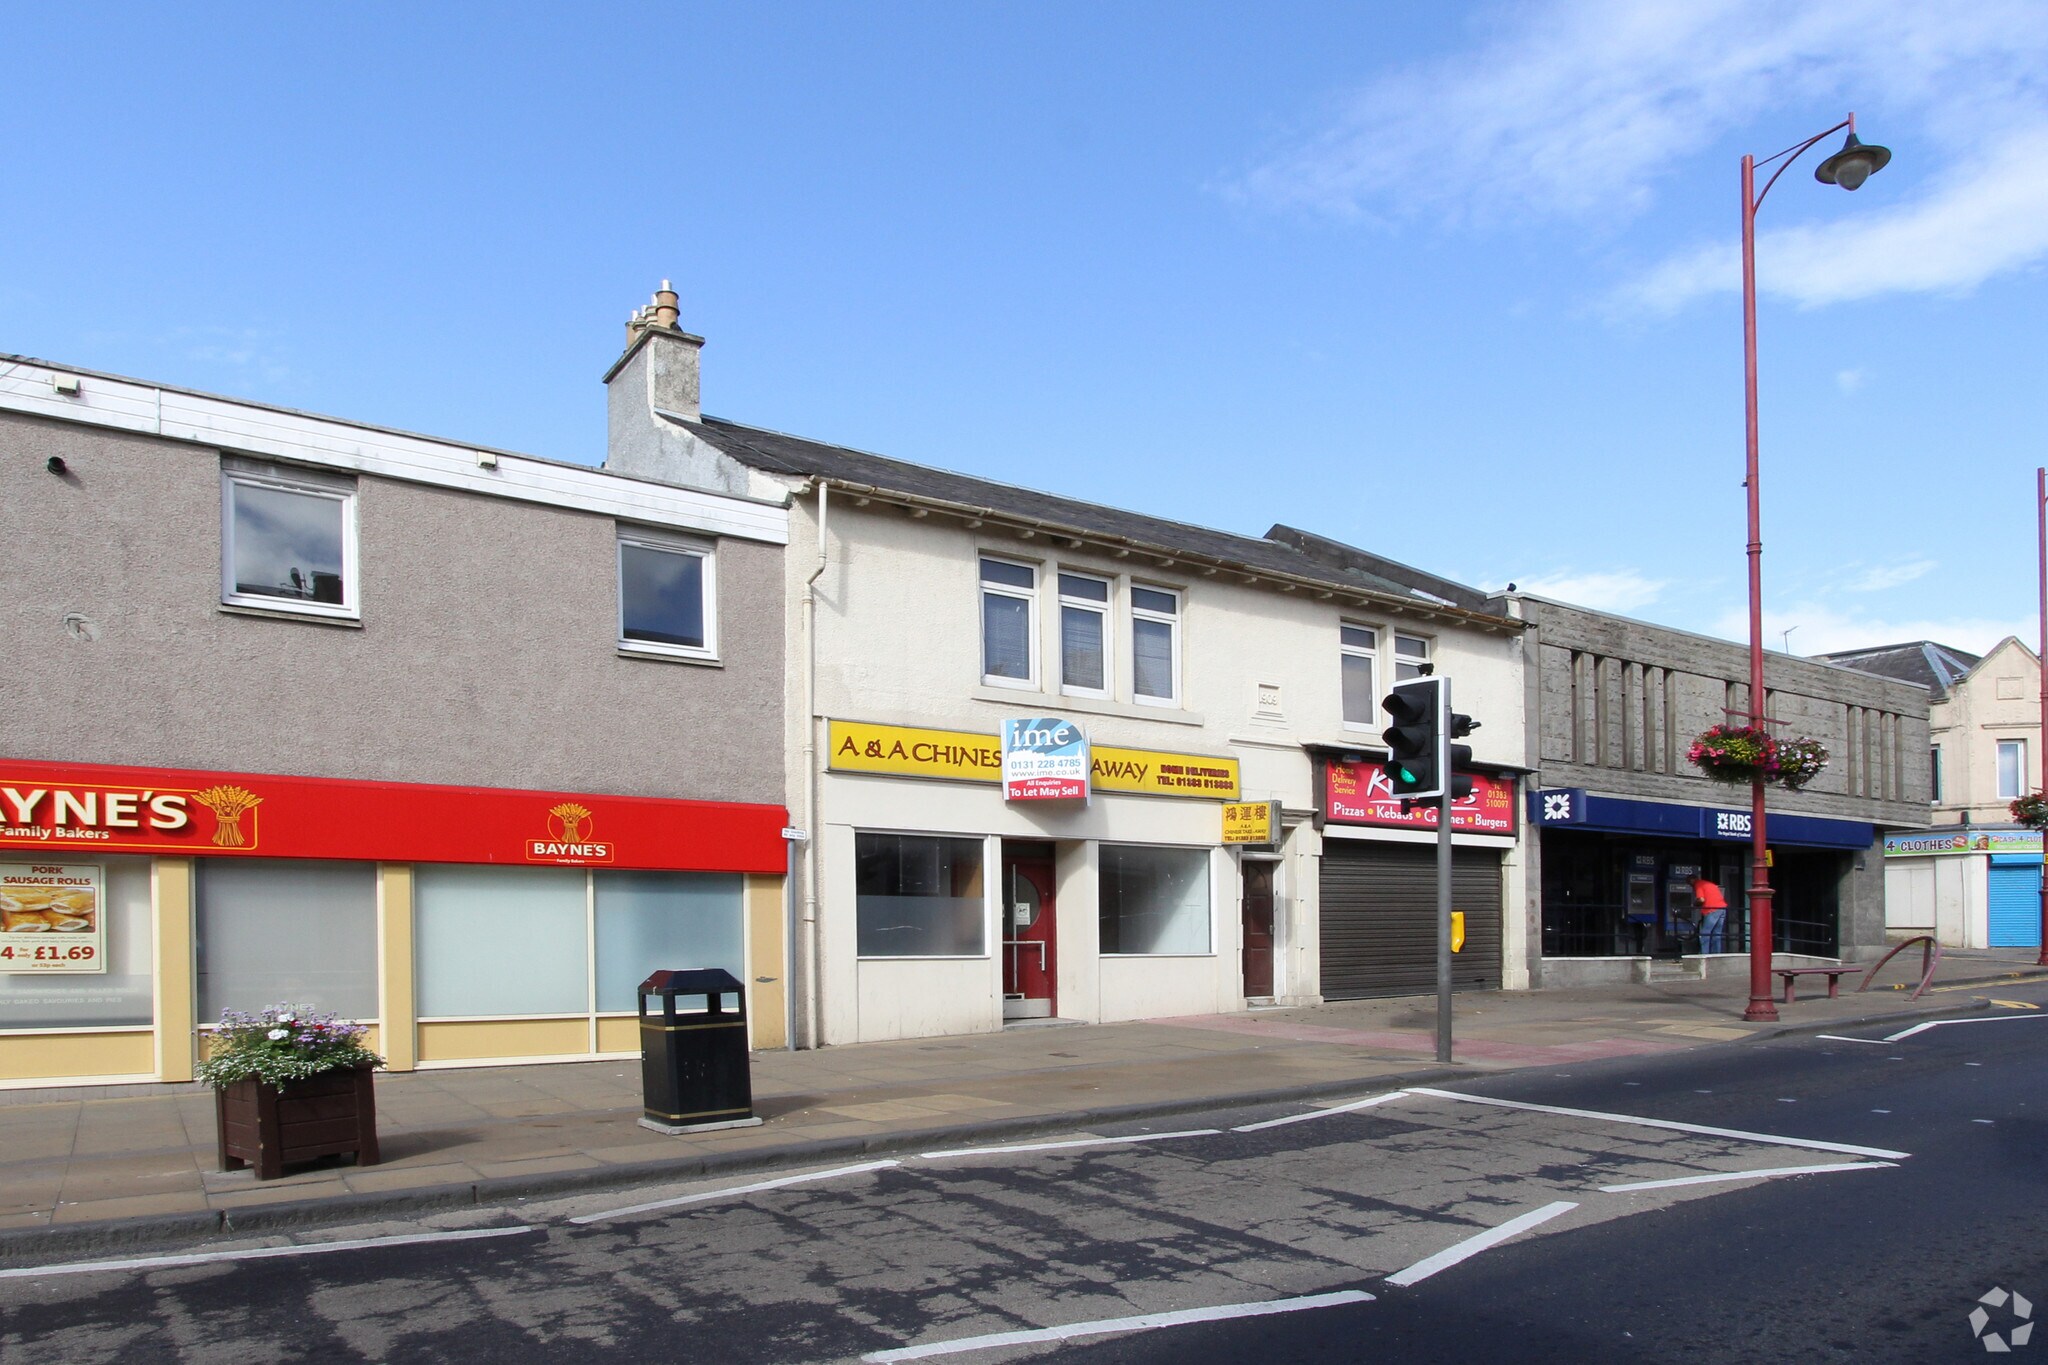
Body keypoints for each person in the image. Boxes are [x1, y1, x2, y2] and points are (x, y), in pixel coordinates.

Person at [1690, 876, 1728, 954]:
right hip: (1722, 908)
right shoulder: (1709, 884)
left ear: (1691, 881)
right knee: (1717, 934)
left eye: (1689, 883)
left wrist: (1694, 905)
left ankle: (1704, 954)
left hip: (1711, 909)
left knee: (1705, 933)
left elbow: (1701, 899)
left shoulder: (1698, 885)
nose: (1691, 886)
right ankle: (1716, 955)